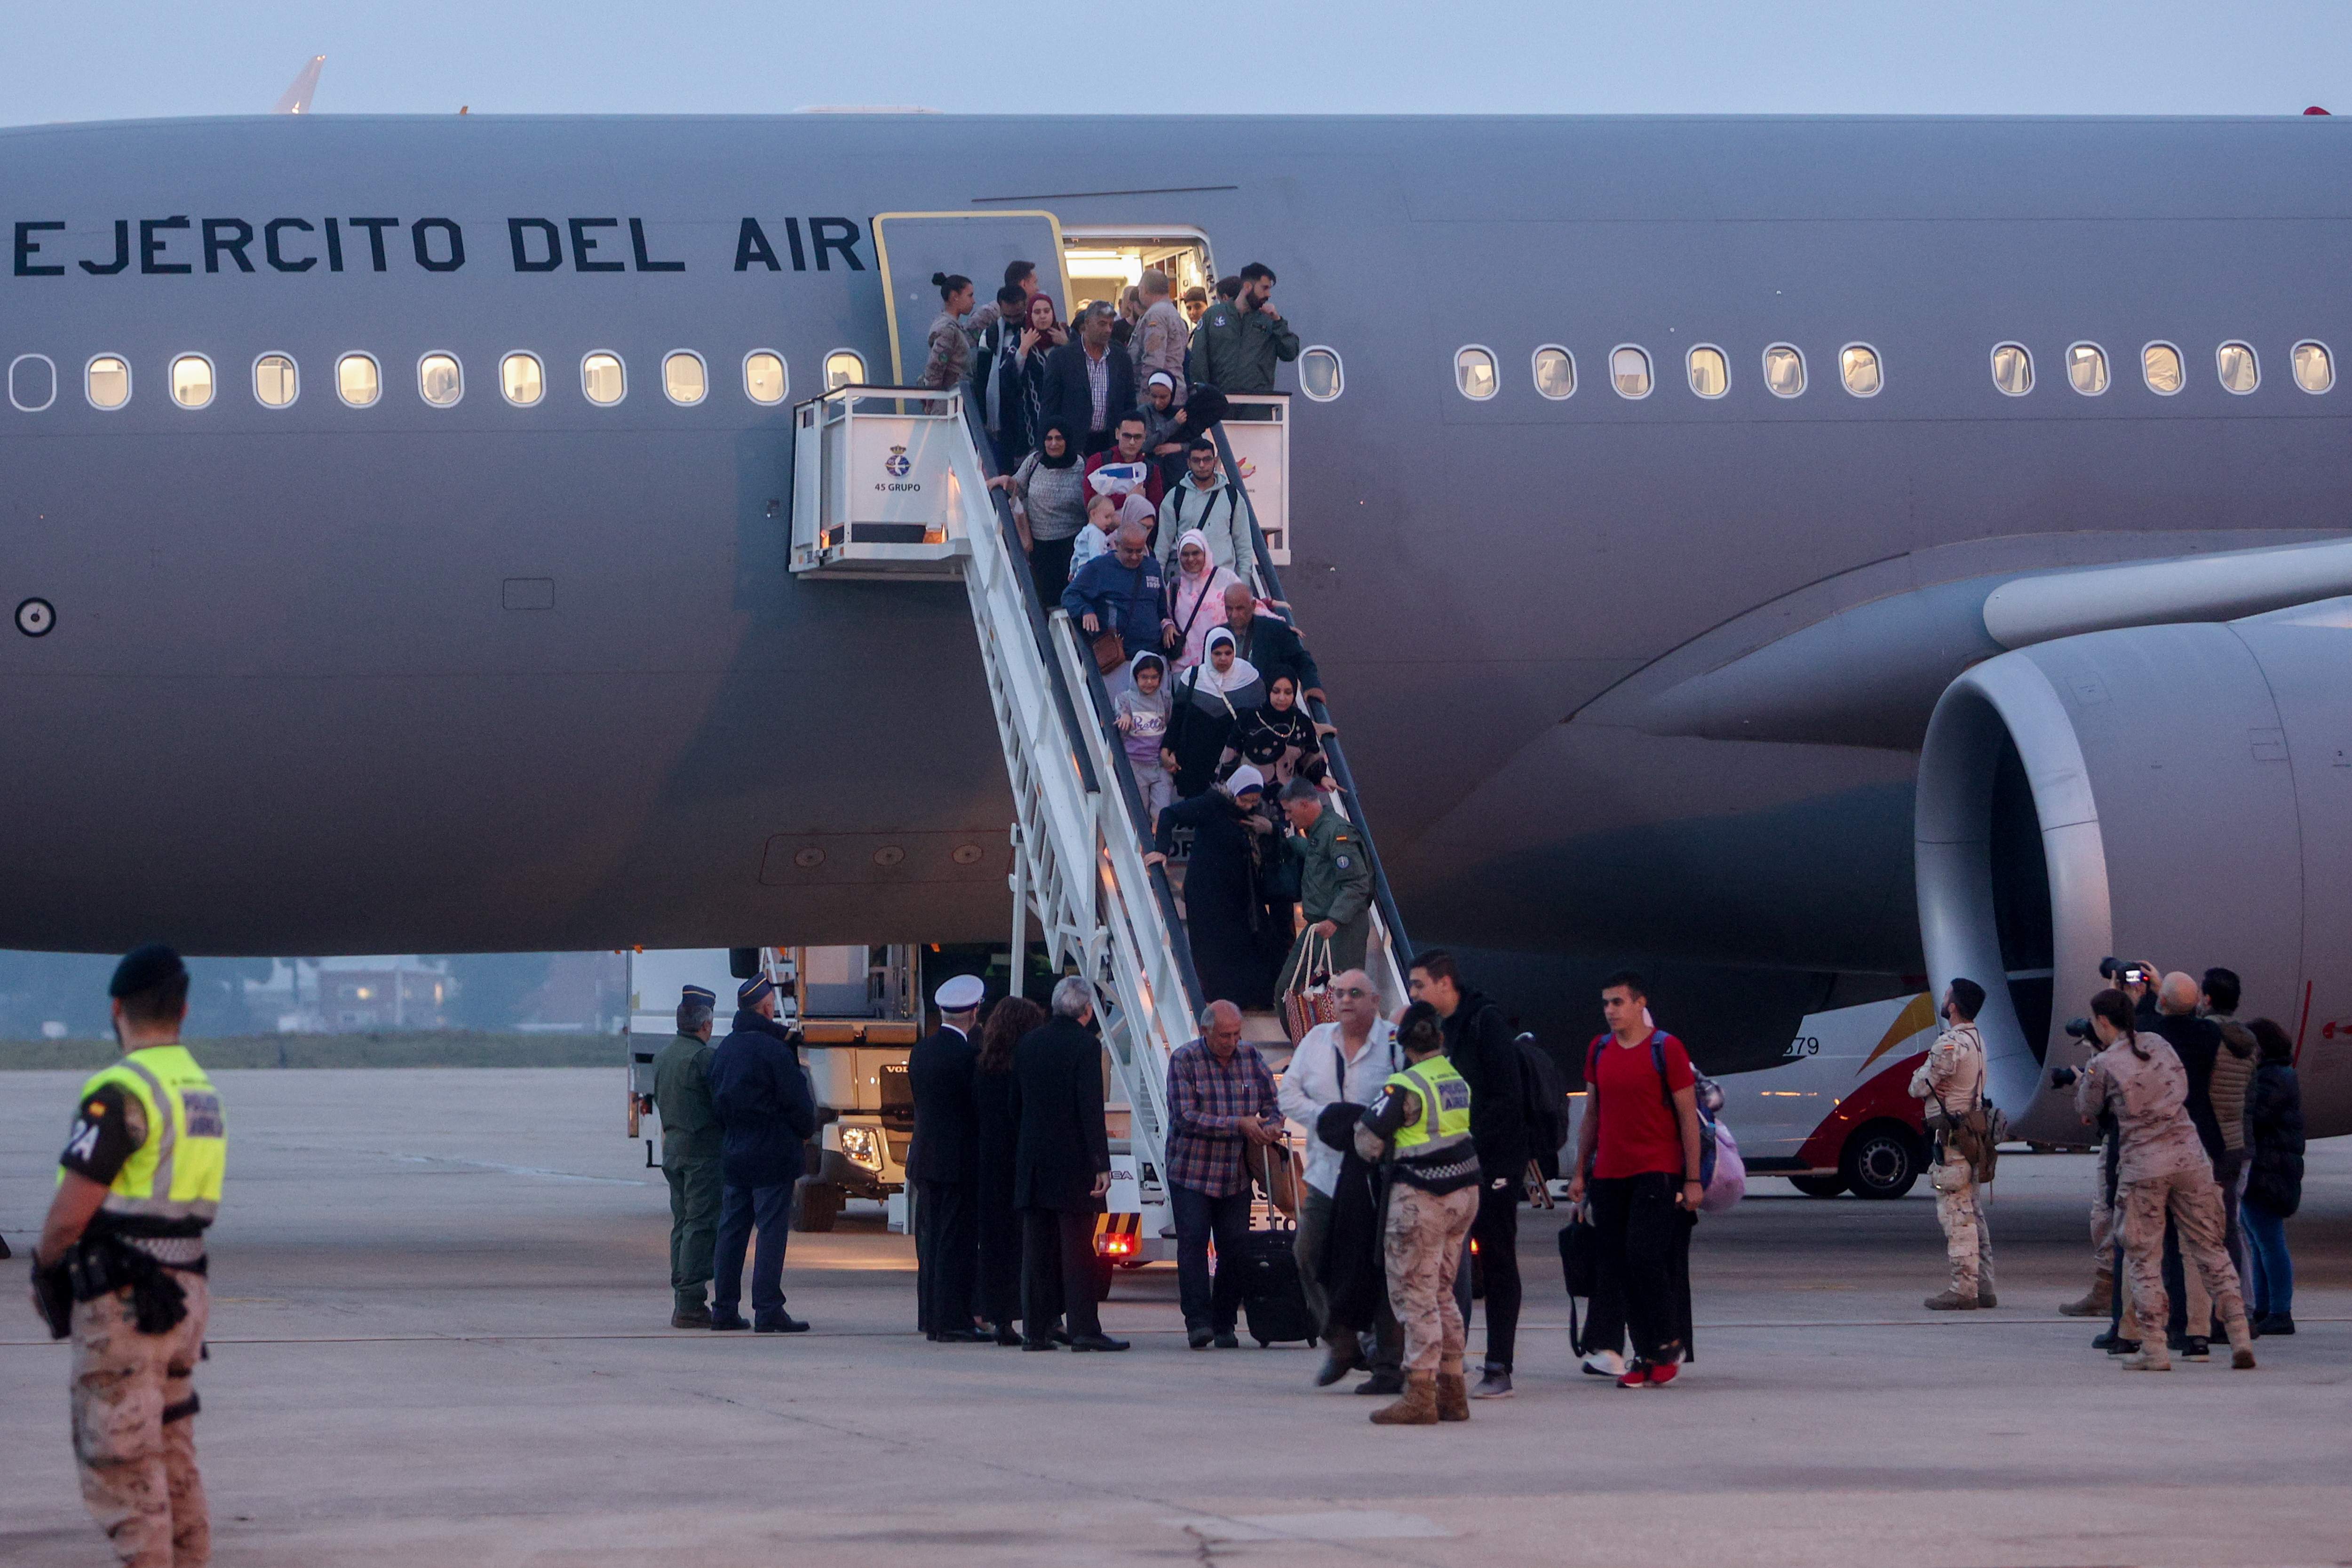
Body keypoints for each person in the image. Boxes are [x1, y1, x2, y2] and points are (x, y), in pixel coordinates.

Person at [29, 945, 224, 1568]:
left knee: (124, 1466)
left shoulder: (120, 1090)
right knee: (171, 1452)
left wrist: (47, 1264)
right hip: (185, 1295)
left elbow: (70, 1214)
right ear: (184, 1010)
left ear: (117, 1009)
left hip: (127, 1307)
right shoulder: (200, 1091)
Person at [2068, 987, 2256, 1370]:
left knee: (2143, 1256)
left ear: (2103, 1022)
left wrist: (2083, 1075)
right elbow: (2182, 1086)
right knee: (2211, 1248)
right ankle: (2239, 1335)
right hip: (2191, 1156)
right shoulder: (2160, 1043)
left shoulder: (2104, 1062)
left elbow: (2087, 1109)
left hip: (2144, 1166)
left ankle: (2154, 1347)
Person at [1566, 971, 1703, 1389]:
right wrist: (1579, 1170)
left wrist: (1693, 1178)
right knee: (1618, 1264)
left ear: (1640, 1003)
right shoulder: (1601, 1048)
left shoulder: (1667, 1048)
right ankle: (1647, 1354)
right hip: (1609, 1174)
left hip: (1656, 1171)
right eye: (1606, 1003)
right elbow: (1593, 1114)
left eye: (1618, 1002)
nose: (1610, 1011)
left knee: (1645, 1257)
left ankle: (1666, 1342)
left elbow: (1687, 1117)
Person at [1406, 949, 1528, 1399]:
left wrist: (1472, 1142)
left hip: (1494, 1161)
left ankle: (1500, 1365)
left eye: (1419, 985)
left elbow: (1507, 1097)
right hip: (1453, 1162)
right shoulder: (1441, 1030)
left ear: (1445, 983)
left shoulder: (1484, 1022)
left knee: (1497, 1257)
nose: (1414, 993)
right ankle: (1446, 1360)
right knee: (1444, 1263)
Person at [1352, 1001, 1480, 1425]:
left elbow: (1368, 1141)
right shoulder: (1456, 1080)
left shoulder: (1404, 1085)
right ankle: (1454, 1390)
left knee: (1415, 1293)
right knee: (1443, 1291)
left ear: (1402, 1044)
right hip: (1463, 1195)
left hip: (1421, 1199)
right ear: (1440, 1038)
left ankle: (1421, 1392)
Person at [1276, 969, 1405, 1393]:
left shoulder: (1392, 1044)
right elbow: (1288, 1094)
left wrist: (1368, 1127)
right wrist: (1327, 1120)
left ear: (1375, 1000)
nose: (1345, 1000)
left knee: (1382, 1265)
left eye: (1355, 993)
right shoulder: (1316, 1040)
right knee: (1307, 1251)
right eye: (1338, 993)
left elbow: (1407, 1097)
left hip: (1377, 1178)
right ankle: (1343, 1340)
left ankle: (1387, 1359)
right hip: (1326, 1174)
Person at [1011, 977, 1128, 1351]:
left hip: (1033, 1161)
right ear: (1087, 1011)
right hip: (1073, 1162)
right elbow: (1089, 1107)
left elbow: (1016, 1103)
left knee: (1036, 1251)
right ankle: (1083, 1328)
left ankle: (1036, 1329)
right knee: (1077, 1250)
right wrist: (1101, 1162)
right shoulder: (1085, 1046)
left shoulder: (1028, 1043)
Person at [1164, 1000, 1283, 1349]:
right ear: (1205, 1032)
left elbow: (1273, 1104)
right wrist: (1239, 1124)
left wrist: (1272, 1127)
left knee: (1235, 1248)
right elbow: (1185, 1117)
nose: (1232, 1041)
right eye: (1224, 1035)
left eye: (1236, 1034)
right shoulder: (1184, 1060)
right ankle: (1197, 1322)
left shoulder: (1251, 1057)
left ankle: (1225, 1321)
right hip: (1192, 1171)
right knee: (1193, 1245)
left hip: (1235, 1174)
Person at [707, 972, 819, 1333]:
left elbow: (715, 1101)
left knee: (732, 1230)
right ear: (768, 1008)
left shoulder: (725, 1048)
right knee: (771, 1231)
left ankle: (723, 1308)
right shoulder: (775, 1050)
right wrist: (803, 1132)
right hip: (772, 1152)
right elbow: (799, 1105)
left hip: (736, 1150)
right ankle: (768, 1307)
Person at [1148, 765, 1281, 1010]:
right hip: (1209, 894)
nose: (1249, 806)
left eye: (1254, 801)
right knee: (1216, 951)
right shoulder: (1212, 805)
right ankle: (1224, 1001)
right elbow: (1169, 815)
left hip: (1240, 895)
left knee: (1250, 945)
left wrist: (1267, 830)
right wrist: (1161, 849)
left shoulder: (1255, 814)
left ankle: (1252, 997)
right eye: (1245, 800)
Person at [2149, 971, 2227, 1356]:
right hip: (2202, 1141)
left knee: (2161, 1242)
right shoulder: (2209, 1036)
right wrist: (2163, 988)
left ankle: (2172, 1323)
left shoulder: (2154, 1036)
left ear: (2161, 1004)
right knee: (2197, 1242)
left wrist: (2140, 994)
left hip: (2163, 1144)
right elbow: (2190, 1018)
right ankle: (2201, 1329)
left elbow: (2143, 1027)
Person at [1911, 978, 1997, 1310]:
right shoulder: (1976, 1039)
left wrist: (1928, 1083)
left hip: (1953, 1138)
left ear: (1954, 1006)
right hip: (1973, 1136)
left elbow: (1917, 1086)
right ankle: (1985, 1286)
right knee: (1974, 1213)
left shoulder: (1949, 1043)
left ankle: (1964, 1289)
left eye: (1947, 995)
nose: (1943, 999)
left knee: (1957, 1216)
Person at [909, 974, 987, 1342]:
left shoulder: (921, 1051)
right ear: (973, 1013)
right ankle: (953, 1319)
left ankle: (929, 1315)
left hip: (924, 1158)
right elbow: (975, 1111)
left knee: (930, 1241)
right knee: (955, 1242)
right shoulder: (970, 1057)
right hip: (958, 1162)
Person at [650, 983, 723, 1328]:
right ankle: (691, 1301)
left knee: (681, 1223)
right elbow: (722, 1103)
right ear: (705, 1025)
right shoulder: (704, 1058)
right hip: (702, 1154)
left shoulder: (663, 1056)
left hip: (673, 1149)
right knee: (701, 1223)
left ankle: (682, 1293)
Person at [973, 994, 1043, 1346]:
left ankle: (999, 1318)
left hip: (989, 1164)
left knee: (995, 1244)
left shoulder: (982, 1068)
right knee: (1027, 1243)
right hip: (1018, 1162)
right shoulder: (1025, 1069)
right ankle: (1032, 1314)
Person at [1276, 777, 1374, 991]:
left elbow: (1357, 883)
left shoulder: (1338, 832)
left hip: (1340, 929)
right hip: (1319, 926)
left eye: (1290, 811)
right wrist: (1287, 841)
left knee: (1342, 994)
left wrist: (1334, 920)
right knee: (1287, 988)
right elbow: (1317, 857)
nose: (1287, 818)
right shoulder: (1320, 832)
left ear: (1304, 804)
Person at [2241, 1017, 2303, 1335]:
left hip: (2270, 1170)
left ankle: (2281, 1310)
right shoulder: (2276, 1075)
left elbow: (2257, 1116)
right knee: (2258, 1239)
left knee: (2269, 1240)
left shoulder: (2273, 1079)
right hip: (2269, 1168)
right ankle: (2266, 1307)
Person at [2200, 967, 2257, 1299]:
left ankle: (2218, 1304)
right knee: (2232, 1226)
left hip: (2210, 1144)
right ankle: (2244, 1301)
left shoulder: (2205, 1037)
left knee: (2205, 1229)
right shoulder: (2248, 1043)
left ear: (2207, 998)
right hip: (2241, 1143)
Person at [991, 421, 1087, 604]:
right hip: (1040, 545)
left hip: (1072, 545)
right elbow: (1018, 487)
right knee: (1046, 597)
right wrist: (1006, 481)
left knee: (1070, 597)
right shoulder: (1034, 461)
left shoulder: (1081, 465)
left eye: (1059, 438)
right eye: (1049, 439)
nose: (1053, 444)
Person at [1163, 627, 1265, 798]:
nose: (1223, 659)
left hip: (1233, 765)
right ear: (1208, 653)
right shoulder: (1192, 677)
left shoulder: (1249, 679)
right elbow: (1178, 719)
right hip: (1195, 764)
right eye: (1217, 654)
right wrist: (1166, 749)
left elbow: (1260, 720)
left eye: (1228, 653)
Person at [1061, 522, 1169, 666]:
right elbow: (1070, 595)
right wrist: (1086, 611)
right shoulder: (1099, 567)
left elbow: (1161, 609)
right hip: (1119, 657)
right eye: (1129, 551)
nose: (1135, 557)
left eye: (1139, 551)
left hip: (1153, 655)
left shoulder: (1153, 567)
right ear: (1117, 545)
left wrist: (1168, 625)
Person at [1041, 300, 1137, 456]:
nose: (1108, 330)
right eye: (1102, 324)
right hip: (1072, 444)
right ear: (1087, 324)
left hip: (1110, 444)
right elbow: (1049, 407)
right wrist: (1047, 446)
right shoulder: (1061, 358)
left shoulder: (1121, 359)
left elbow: (1130, 404)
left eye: (1111, 325)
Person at [1192, 262, 1300, 395]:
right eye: (1265, 288)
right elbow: (1199, 359)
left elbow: (1290, 353)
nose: (1269, 295)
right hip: (1221, 404)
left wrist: (1278, 321)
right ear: (1248, 287)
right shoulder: (1213, 316)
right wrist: (1204, 395)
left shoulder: (1270, 321)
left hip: (1256, 406)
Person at [1220, 585, 1326, 708]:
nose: (1234, 615)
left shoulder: (1275, 630)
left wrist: (1312, 686)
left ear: (1254, 606)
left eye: (1240, 609)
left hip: (1264, 711)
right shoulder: (1216, 634)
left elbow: (1300, 659)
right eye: (1229, 609)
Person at [1159, 440, 1250, 576]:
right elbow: (1163, 546)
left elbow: (1244, 544)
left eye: (1207, 460)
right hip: (1187, 581)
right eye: (1196, 460)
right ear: (1188, 463)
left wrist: (1244, 582)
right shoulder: (1175, 496)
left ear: (1214, 461)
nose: (1202, 465)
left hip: (1222, 579)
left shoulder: (1232, 496)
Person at [1221, 672, 1322, 788]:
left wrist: (1322, 778)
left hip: (1285, 799)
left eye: (1288, 693)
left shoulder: (1302, 722)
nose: (1282, 698)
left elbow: (1310, 758)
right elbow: (1230, 758)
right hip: (1246, 797)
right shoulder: (1249, 717)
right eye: (1276, 691)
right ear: (1268, 690)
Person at [1004, 292, 1067, 467]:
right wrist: (1023, 350)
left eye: (1047, 311)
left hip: (1063, 414)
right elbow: (1007, 378)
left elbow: (1082, 372)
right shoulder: (1022, 338)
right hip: (1031, 418)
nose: (1043, 316)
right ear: (1029, 315)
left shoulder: (1065, 336)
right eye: (1037, 312)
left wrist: (1067, 345)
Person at [973, 283, 1032, 468]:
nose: (1013, 321)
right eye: (1008, 316)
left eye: (1018, 316)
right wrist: (983, 416)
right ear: (1000, 307)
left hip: (1030, 404)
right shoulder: (991, 334)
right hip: (1003, 408)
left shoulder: (1035, 328)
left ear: (1026, 305)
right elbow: (982, 378)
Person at [1113, 650, 1176, 827]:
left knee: (1161, 812)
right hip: (1135, 765)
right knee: (1137, 814)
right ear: (1135, 677)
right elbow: (1120, 717)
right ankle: (1139, 852)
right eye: (1144, 677)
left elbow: (1170, 726)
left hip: (1159, 766)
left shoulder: (1166, 698)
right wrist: (1124, 717)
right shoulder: (1125, 699)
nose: (1149, 682)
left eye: (1155, 677)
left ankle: (1158, 850)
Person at [1165, 529, 1242, 670]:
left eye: (1196, 553)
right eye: (1185, 554)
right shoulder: (1175, 585)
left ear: (1205, 553)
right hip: (1184, 669)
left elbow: (1248, 606)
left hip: (1219, 665)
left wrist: (1278, 619)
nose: (1190, 559)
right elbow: (1165, 614)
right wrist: (1167, 625)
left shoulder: (1226, 579)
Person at [1083, 412, 1166, 515]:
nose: (1132, 442)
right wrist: (1128, 497)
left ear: (1145, 437)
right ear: (1117, 434)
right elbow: (1090, 504)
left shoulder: (1151, 470)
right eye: (1127, 436)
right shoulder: (1098, 461)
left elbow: (1155, 511)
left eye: (1138, 437)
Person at [1132, 269, 1189, 405]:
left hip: (1159, 397)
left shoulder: (1156, 315)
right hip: (1173, 392)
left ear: (1144, 289)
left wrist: (1146, 398)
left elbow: (1154, 359)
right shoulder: (1174, 314)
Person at [920, 272, 977, 390]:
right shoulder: (948, 329)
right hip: (947, 403)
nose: (974, 301)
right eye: (970, 296)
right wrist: (931, 399)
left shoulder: (953, 327)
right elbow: (935, 368)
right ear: (955, 297)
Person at [1069, 492, 1124, 574]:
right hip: (1091, 575)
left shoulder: (1085, 531)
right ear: (1093, 514)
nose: (1110, 521)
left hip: (1081, 572)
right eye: (1107, 517)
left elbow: (1076, 555)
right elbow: (1097, 558)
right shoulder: (1096, 533)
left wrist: (1072, 571)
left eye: (1111, 517)